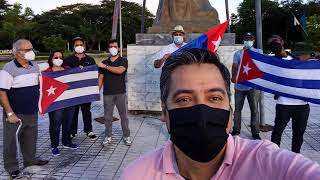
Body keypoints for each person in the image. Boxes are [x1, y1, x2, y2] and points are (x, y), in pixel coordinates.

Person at [120, 48, 320, 180]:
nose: (201, 112)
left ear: (231, 111)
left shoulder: (267, 162)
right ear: (164, 111)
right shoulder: (137, 174)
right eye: (183, 99)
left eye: (214, 98)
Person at [0, 39, 49, 179]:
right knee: (10, 141)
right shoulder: (8, 69)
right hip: (15, 114)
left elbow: (40, 86)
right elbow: (2, 92)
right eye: (26, 50)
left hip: (31, 111)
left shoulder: (34, 66)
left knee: (30, 139)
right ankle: (12, 168)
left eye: (31, 48)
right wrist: (9, 113)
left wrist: (40, 105)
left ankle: (30, 160)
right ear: (17, 52)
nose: (30, 52)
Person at [268, 35, 310, 153]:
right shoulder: (272, 62)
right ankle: (274, 156)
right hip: (284, 104)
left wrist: (312, 55)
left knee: (299, 133)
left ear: (282, 42)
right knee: (277, 132)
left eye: (275, 41)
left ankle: (295, 156)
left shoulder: (294, 58)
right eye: (270, 43)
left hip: (302, 104)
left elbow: (300, 60)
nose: (273, 43)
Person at [44, 50, 79, 156]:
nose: (58, 59)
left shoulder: (68, 70)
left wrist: (82, 71)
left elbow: (76, 79)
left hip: (69, 101)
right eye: (55, 57)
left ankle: (66, 142)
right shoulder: (47, 72)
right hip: (55, 103)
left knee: (68, 122)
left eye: (60, 57)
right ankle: (54, 145)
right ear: (51, 59)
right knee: (56, 123)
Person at [98, 39, 131, 146]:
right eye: (111, 47)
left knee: (123, 116)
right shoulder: (104, 62)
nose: (113, 49)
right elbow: (100, 78)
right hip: (107, 93)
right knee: (107, 117)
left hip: (120, 93)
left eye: (115, 47)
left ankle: (126, 136)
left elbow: (120, 70)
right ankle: (108, 136)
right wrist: (96, 92)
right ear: (108, 48)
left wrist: (106, 67)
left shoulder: (123, 60)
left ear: (119, 48)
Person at [64, 37, 97, 139]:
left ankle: (89, 130)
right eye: (76, 45)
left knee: (86, 111)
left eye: (81, 45)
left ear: (84, 46)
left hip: (85, 91)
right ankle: (72, 131)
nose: (79, 47)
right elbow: (64, 74)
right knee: (73, 112)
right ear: (73, 47)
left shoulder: (90, 60)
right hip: (72, 91)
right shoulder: (68, 60)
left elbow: (94, 75)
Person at [230, 32, 261, 139]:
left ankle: (255, 132)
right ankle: (236, 129)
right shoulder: (238, 53)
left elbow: (261, 66)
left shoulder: (258, 52)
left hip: (253, 86)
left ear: (254, 40)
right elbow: (234, 66)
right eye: (246, 39)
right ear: (243, 40)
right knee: (238, 109)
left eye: (250, 39)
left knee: (254, 110)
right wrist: (233, 77)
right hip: (240, 85)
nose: (248, 41)